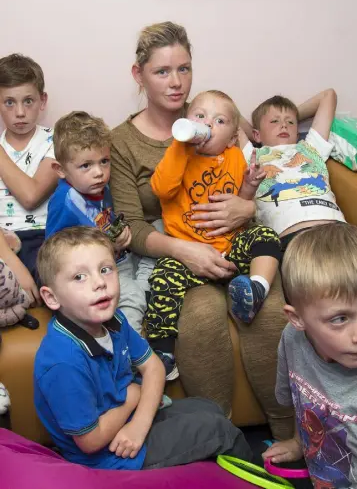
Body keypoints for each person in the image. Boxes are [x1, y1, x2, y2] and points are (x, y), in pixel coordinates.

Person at [110, 21, 259, 417]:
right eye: (162, 71)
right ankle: (219, 436)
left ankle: (289, 435)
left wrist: (249, 206)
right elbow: (131, 229)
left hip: (234, 242)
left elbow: (251, 177)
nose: (177, 83)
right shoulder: (121, 143)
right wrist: (186, 251)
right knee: (201, 318)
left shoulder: (220, 118)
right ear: (138, 75)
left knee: (273, 308)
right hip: (173, 253)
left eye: (184, 68)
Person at [34, 226, 253, 470]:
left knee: (208, 408)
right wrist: (133, 399)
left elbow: (154, 368)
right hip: (108, 456)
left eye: (105, 270)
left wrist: (138, 421)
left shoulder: (114, 320)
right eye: (79, 277)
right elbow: (90, 440)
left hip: (130, 420)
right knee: (219, 431)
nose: (99, 283)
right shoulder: (63, 362)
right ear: (52, 298)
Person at [147, 89, 281, 379]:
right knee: (162, 278)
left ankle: (256, 288)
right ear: (187, 122)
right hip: (189, 255)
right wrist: (180, 146)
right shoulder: (178, 156)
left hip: (231, 248)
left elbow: (241, 199)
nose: (207, 124)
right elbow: (161, 189)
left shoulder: (233, 156)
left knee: (266, 236)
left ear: (233, 138)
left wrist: (250, 186)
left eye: (219, 121)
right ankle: (162, 350)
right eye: (200, 117)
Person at [263, 223, 357, 488]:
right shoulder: (292, 339)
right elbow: (302, 401)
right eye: (340, 319)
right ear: (297, 319)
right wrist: (297, 443)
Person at [46, 111, 147, 333]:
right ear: (61, 170)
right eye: (86, 166)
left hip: (119, 258)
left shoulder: (102, 188)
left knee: (156, 242)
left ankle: (141, 288)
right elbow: (53, 254)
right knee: (133, 296)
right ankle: (132, 351)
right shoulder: (66, 201)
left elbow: (107, 222)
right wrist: (110, 246)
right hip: (96, 271)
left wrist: (122, 233)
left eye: (104, 162)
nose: (99, 173)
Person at [239, 89, 345, 261]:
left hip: (337, 229)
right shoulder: (252, 155)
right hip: (291, 238)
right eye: (274, 121)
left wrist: (292, 115)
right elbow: (227, 111)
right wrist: (253, 133)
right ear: (256, 134)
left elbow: (329, 95)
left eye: (290, 122)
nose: (283, 125)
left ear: (297, 134)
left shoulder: (310, 148)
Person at [0, 53, 58, 306]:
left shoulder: (56, 141)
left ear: (42, 101)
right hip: (2, 243)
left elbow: (31, 196)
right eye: (9, 102)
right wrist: (12, 263)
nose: (20, 112)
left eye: (28, 101)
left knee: (61, 282)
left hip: (42, 238)